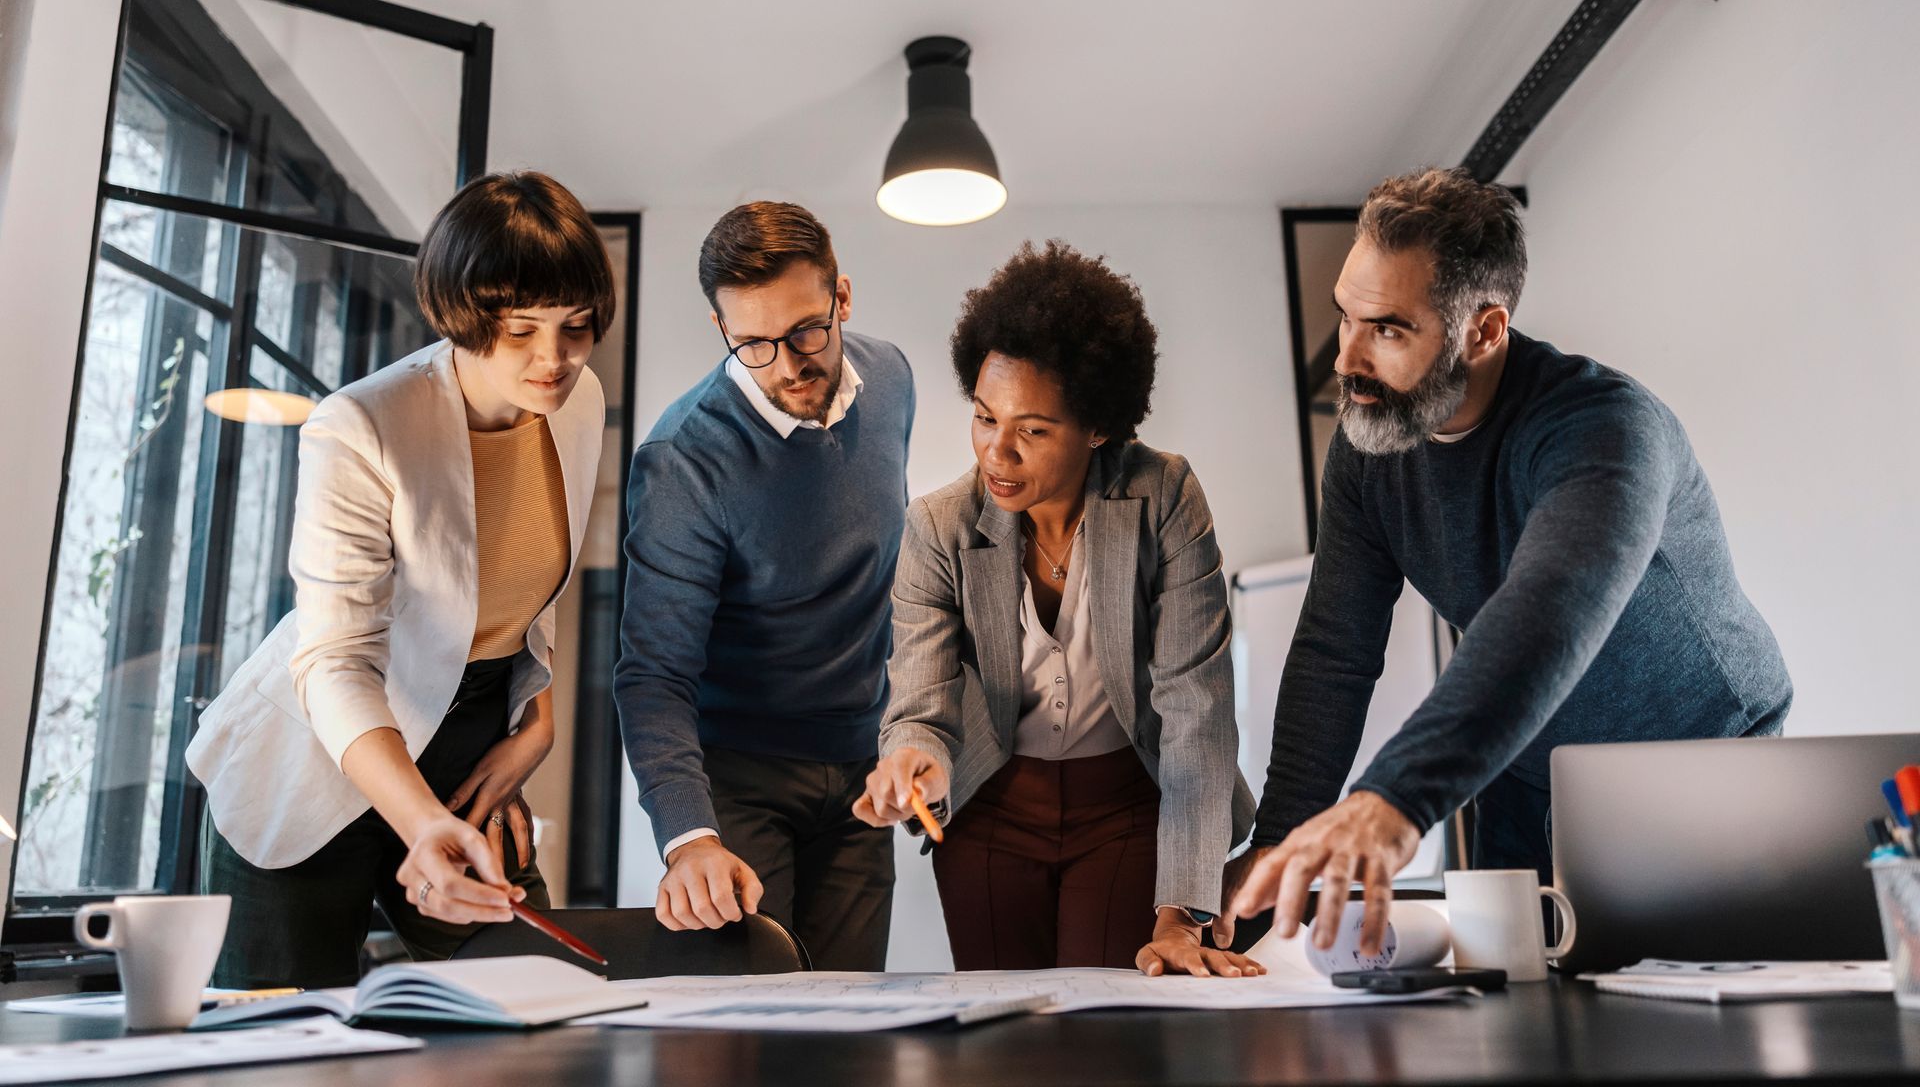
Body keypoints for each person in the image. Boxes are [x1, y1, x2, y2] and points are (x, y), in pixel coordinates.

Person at [1222, 166, 1793, 957]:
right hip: (1525, 765)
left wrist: (1395, 797)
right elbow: (1334, 655)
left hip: (1692, 762)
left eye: (1387, 328)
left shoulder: (1605, 429)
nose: (1346, 359)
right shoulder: (1368, 451)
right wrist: (1274, 853)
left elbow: (1550, 608)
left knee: (1680, 1016)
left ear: (1484, 331)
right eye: (1343, 318)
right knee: (1514, 1001)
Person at [187, 171, 613, 988]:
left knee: (534, 1003)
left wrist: (537, 721)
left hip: (466, 744)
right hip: (323, 756)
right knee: (290, 1046)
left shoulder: (579, 402)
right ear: (461, 315)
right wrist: (418, 820)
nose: (553, 358)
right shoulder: (363, 426)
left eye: (576, 326)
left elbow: (528, 591)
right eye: (521, 329)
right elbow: (335, 660)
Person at [856, 241, 1260, 977]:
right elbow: (922, 698)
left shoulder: (1163, 496)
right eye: (984, 418)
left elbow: (1195, 706)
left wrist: (1179, 916)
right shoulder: (938, 525)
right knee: (1003, 1036)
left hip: (1128, 811)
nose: (996, 454)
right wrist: (911, 757)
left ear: (1099, 427)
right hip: (991, 809)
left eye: (1033, 431)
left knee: (1110, 1030)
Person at [614, 202, 913, 970]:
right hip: (737, 779)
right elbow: (654, 674)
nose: (787, 365)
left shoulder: (892, 381)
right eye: (753, 343)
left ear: (842, 298)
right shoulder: (683, 461)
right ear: (722, 330)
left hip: (860, 769)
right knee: (751, 1023)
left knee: (853, 1023)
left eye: (808, 330)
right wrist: (690, 838)